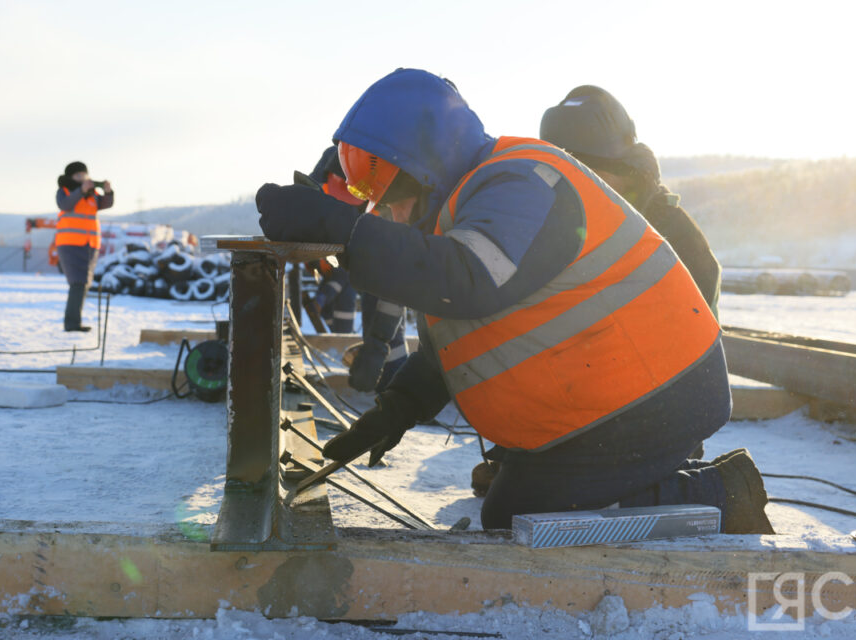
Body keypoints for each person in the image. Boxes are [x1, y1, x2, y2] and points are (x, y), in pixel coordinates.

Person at [254, 68, 772, 534]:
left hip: (655, 397)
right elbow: (470, 335)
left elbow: (466, 278)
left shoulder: (519, 180)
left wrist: (342, 228)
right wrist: (401, 406)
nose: (377, 200)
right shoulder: (465, 205)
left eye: (375, 172)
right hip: (610, 396)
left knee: (519, 519)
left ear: (424, 158)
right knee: (508, 504)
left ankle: (721, 494)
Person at [540, 86, 721, 317]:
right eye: (563, 175)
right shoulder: (553, 223)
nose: (574, 187)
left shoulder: (676, 238)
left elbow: (699, 342)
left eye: (587, 173)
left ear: (623, 170)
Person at [306, 146, 409, 392]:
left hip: (379, 250)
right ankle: (391, 383)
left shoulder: (387, 176)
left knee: (382, 315)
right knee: (375, 312)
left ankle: (394, 384)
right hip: (363, 248)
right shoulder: (339, 158)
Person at [55, 161, 113, 332]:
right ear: (70, 177)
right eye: (78, 175)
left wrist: (108, 192)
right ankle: (72, 324)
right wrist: (80, 191)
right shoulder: (64, 191)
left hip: (89, 244)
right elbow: (65, 205)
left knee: (84, 284)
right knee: (77, 283)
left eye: (84, 174)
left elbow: (105, 203)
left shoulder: (92, 194)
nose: (83, 178)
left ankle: (74, 322)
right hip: (70, 244)